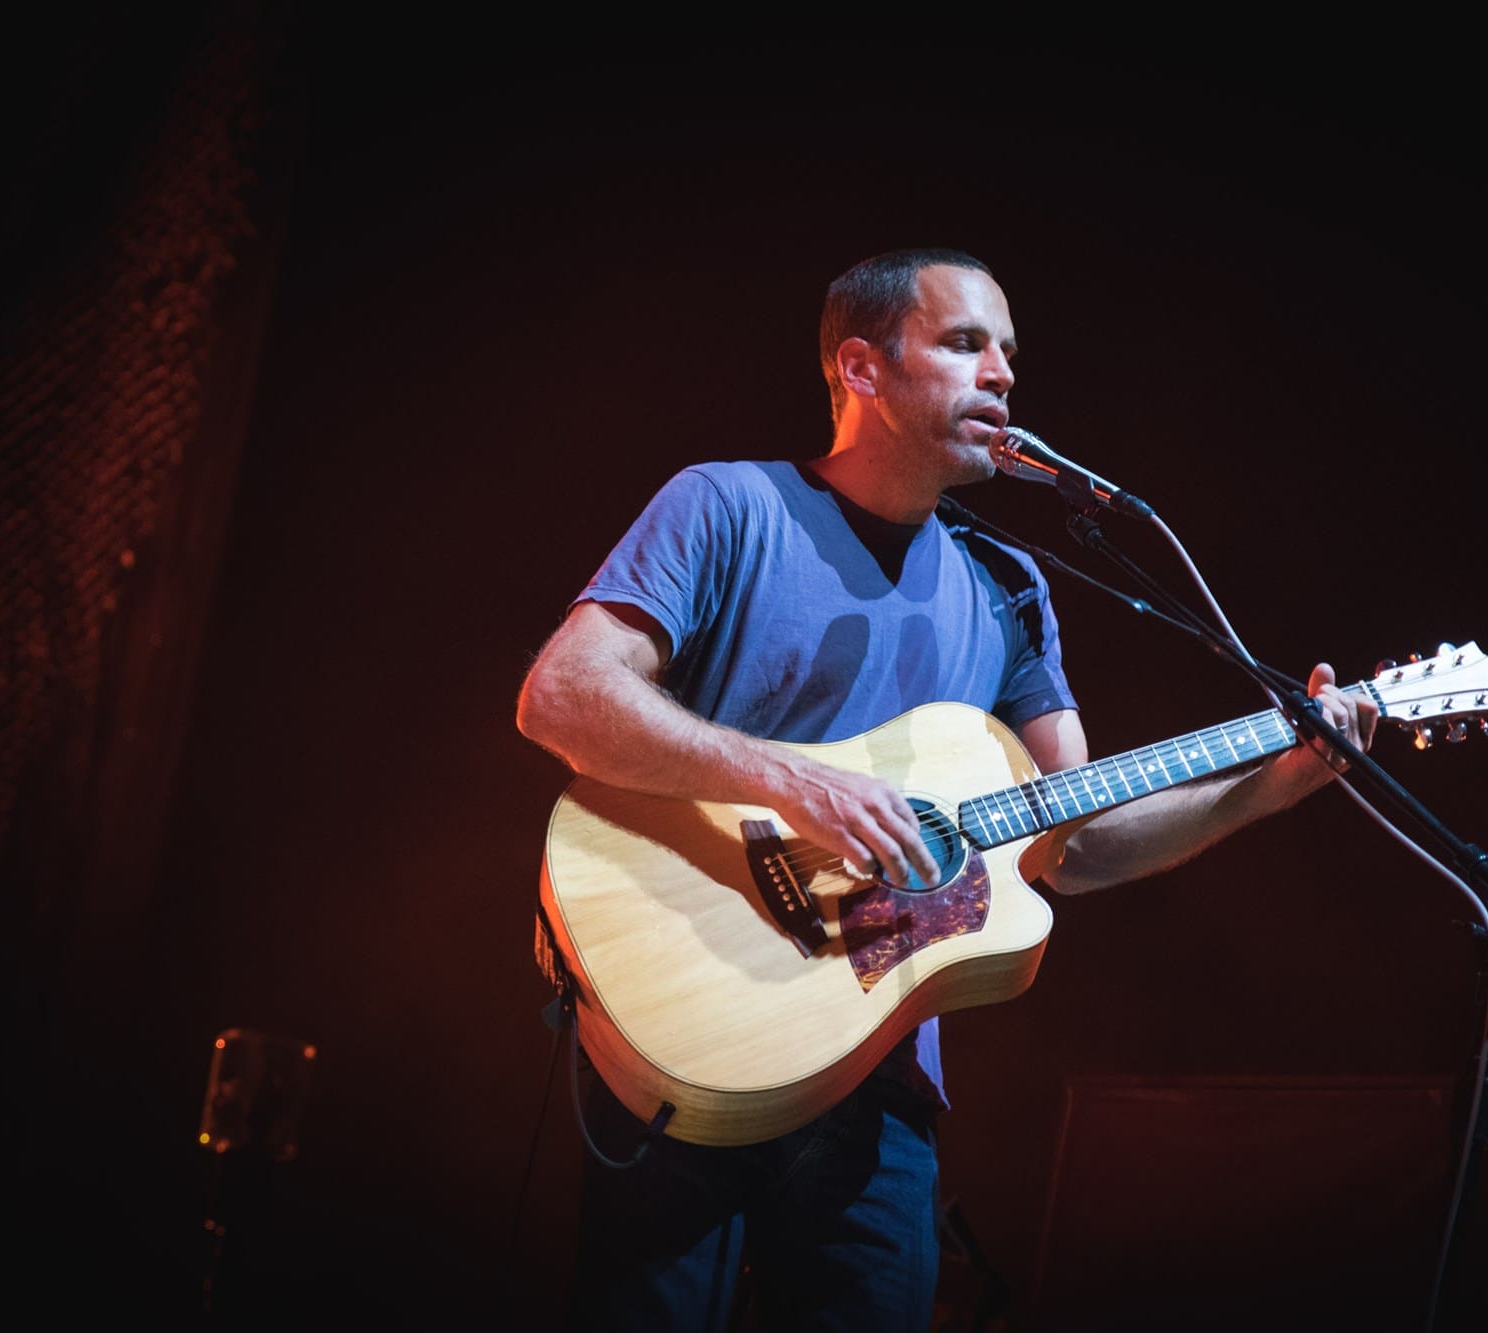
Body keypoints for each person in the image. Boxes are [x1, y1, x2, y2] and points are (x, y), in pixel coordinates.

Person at [514, 246, 1377, 1330]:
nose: (1003, 372)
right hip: (688, 1016)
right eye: (966, 343)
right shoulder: (728, 505)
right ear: (861, 368)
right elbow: (562, 695)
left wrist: (1270, 787)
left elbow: (1075, 840)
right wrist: (792, 782)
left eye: (1007, 351)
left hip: (879, 1076)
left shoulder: (1009, 589)